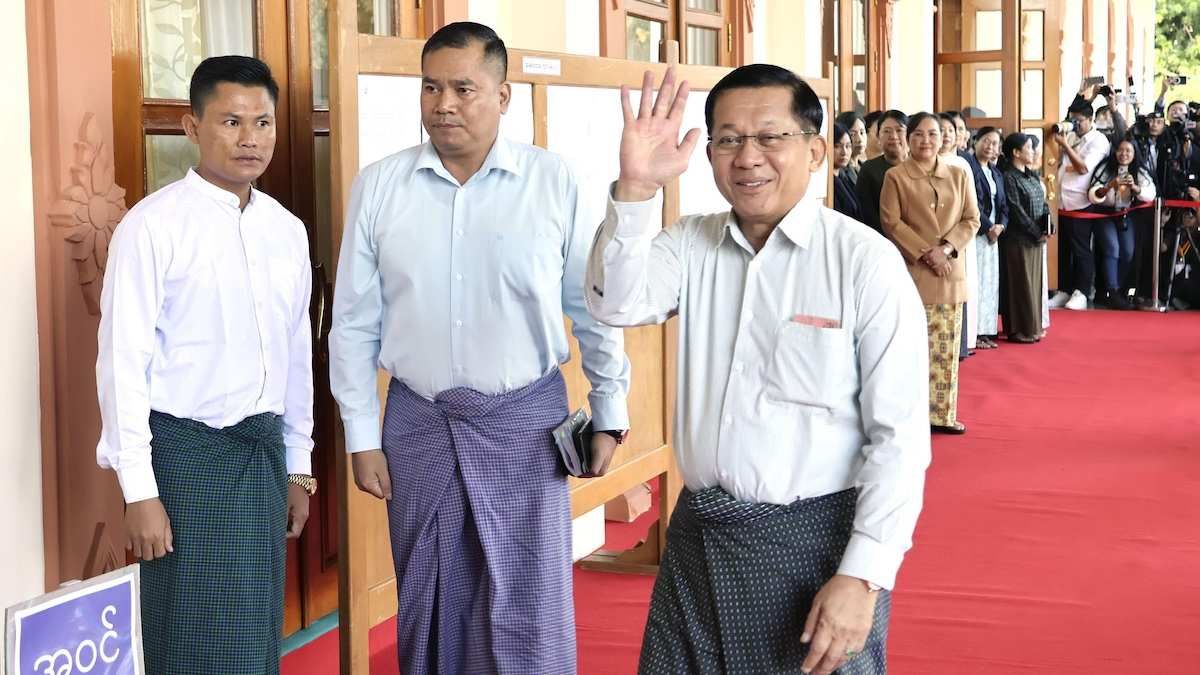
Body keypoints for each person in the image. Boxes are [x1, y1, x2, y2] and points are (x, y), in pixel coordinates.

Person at [587, 63, 930, 675]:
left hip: (814, 545)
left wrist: (864, 575)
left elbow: (900, 439)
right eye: (728, 139)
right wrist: (635, 189)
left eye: (771, 136)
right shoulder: (690, 243)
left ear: (816, 150)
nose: (748, 157)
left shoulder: (864, 263)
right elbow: (614, 302)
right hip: (701, 535)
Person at [328, 23, 630, 675]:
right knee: (430, 601)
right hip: (419, 424)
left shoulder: (553, 182)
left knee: (528, 602)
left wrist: (610, 408)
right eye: (431, 87)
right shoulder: (380, 186)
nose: (444, 104)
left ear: (503, 95)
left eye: (464, 88)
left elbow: (593, 306)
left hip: (525, 425)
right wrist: (360, 434)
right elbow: (352, 322)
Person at [95, 55, 314, 675]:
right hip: (184, 459)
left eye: (264, 123)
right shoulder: (152, 227)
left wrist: (299, 469)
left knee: (253, 628)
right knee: (187, 630)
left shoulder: (286, 230)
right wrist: (140, 491)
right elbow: (121, 363)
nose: (251, 139)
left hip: (261, 453)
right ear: (192, 128)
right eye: (231, 122)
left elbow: (297, 354)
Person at [880, 112, 980, 435]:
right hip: (914, 272)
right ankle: (910, 416)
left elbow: (971, 219)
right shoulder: (895, 176)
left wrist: (947, 249)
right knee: (911, 349)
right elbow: (891, 222)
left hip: (950, 273)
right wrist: (927, 253)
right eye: (919, 135)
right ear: (909, 139)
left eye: (933, 134)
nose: (926, 141)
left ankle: (942, 414)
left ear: (943, 138)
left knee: (946, 349)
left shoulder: (958, 174)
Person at [1050, 101, 1110, 310]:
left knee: (1081, 249)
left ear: (1091, 120)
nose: (1075, 125)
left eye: (1079, 121)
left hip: (1082, 201)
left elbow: (1083, 168)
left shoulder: (1098, 141)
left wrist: (1065, 145)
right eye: (1072, 120)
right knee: (1062, 248)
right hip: (1061, 199)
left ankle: (1082, 291)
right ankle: (1063, 289)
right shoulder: (1072, 136)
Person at [1087, 138, 1157, 309]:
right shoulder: (1105, 168)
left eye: (1128, 151)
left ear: (1134, 154)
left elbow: (1150, 193)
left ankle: (1119, 288)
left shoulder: (1139, 170)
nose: (1124, 154)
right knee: (1112, 249)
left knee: (1127, 252)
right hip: (1104, 215)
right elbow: (1093, 193)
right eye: (1120, 150)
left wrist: (1135, 188)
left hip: (1127, 214)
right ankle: (1112, 290)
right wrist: (1110, 186)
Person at [1000, 133, 1049, 342]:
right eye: (1029, 148)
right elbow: (1015, 208)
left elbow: (1043, 201)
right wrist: (1035, 232)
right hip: (1018, 238)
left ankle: (1033, 326)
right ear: (1016, 153)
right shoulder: (1009, 176)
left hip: (1036, 237)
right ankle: (1021, 330)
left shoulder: (1032, 174)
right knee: (1021, 284)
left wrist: (1048, 226)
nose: (1033, 151)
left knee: (1034, 283)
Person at [938, 113, 979, 357]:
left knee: (962, 286)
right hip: (934, 238)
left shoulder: (962, 164)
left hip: (960, 238)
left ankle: (963, 341)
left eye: (948, 131)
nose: (944, 136)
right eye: (938, 130)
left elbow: (971, 209)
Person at [964, 127, 1007, 349]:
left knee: (991, 283)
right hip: (977, 232)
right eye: (986, 141)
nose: (990, 147)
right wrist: (989, 227)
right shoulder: (969, 167)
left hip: (993, 235)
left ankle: (988, 329)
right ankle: (976, 331)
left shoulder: (995, 172)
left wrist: (1000, 226)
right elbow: (972, 203)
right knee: (977, 281)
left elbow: (1003, 206)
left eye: (995, 143)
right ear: (976, 141)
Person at [856, 110, 908, 234]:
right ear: (878, 137)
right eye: (886, 131)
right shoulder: (869, 169)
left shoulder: (919, 166)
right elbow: (866, 214)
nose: (893, 136)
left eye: (899, 130)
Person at [833, 122, 862, 221]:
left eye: (848, 146)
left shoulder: (844, 178)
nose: (844, 152)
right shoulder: (826, 183)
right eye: (837, 146)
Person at [836, 110, 868, 180]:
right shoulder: (839, 171)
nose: (859, 139)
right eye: (852, 134)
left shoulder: (866, 168)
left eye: (862, 133)